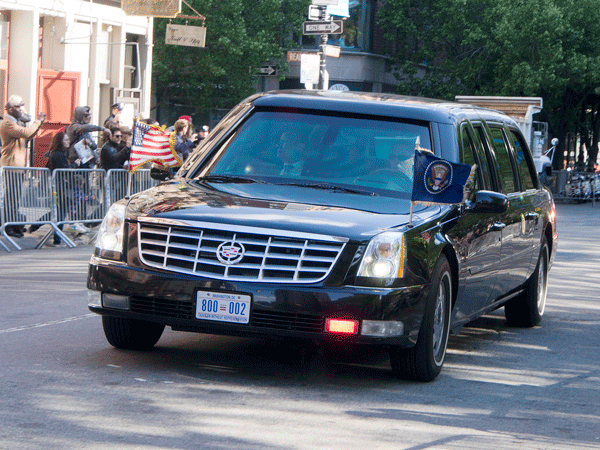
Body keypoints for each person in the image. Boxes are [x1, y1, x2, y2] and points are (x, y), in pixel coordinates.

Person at [0, 95, 46, 238]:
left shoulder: (16, 122)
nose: (21, 109)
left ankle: (14, 224)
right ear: (11, 109)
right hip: (11, 165)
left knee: (15, 198)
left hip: (18, 165)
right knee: (11, 198)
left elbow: (29, 134)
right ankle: (8, 227)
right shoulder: (8, 123)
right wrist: (38, 120)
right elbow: (26, 133)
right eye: (18, 107)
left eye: (21, 106)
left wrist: (33, 123)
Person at [46, 131, 81, 245]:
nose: (68, 141)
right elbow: (64, 170)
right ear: (60, 142)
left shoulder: (60, 153)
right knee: (60, 212)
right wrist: (75, 164)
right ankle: (57, 238)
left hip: (60, 187)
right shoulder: (57, 154)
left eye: (68, 139)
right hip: (59, 189)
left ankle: (37, 226)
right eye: (65, 140)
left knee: (58, 211)